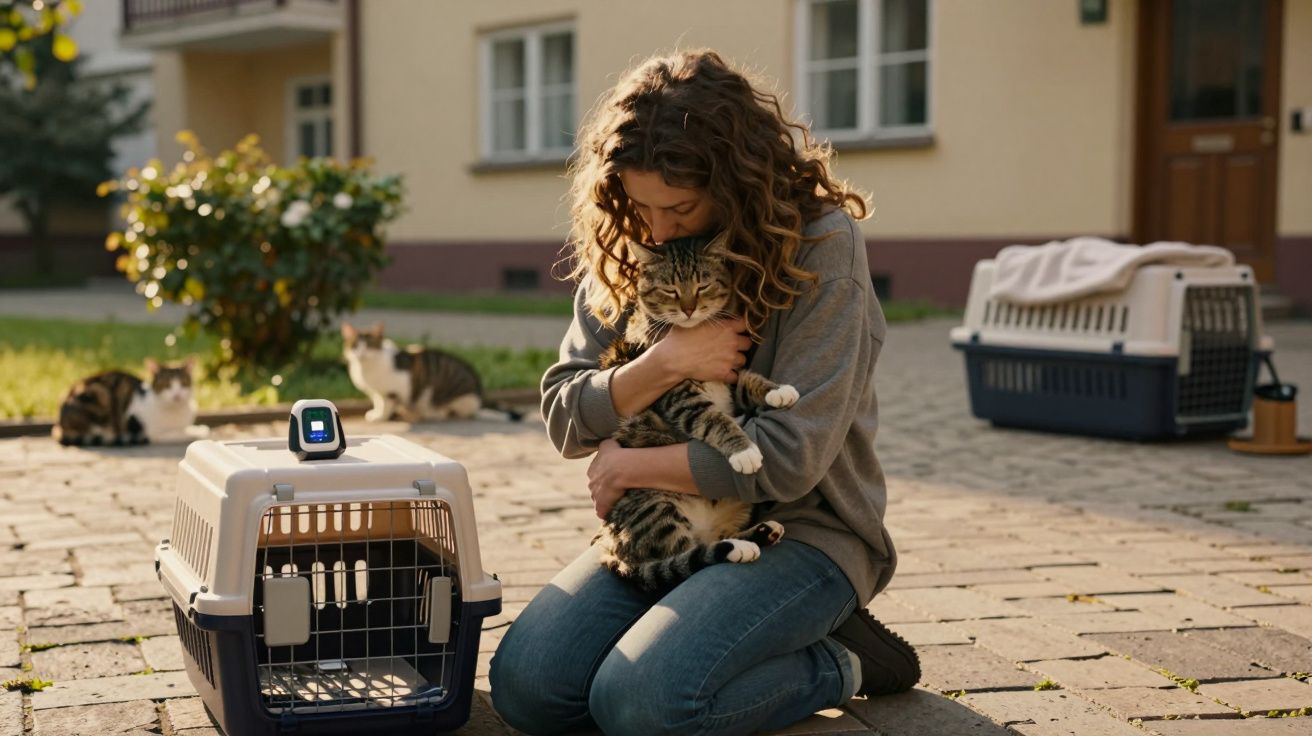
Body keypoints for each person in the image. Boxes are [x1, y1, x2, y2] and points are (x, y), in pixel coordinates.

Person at [488, 49, 918, 736]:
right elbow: (565, 415)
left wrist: (630, 465)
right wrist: (660, 365)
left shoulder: (822, 245)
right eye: (641, 205)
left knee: (641, 703)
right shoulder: (642, 243)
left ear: (737, 182)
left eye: (679, 207)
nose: (655, 229)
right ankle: (720, 632)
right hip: (672, 524)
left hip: (805, 531)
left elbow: (788, 456)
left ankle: (840, 662)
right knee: (527, 687)